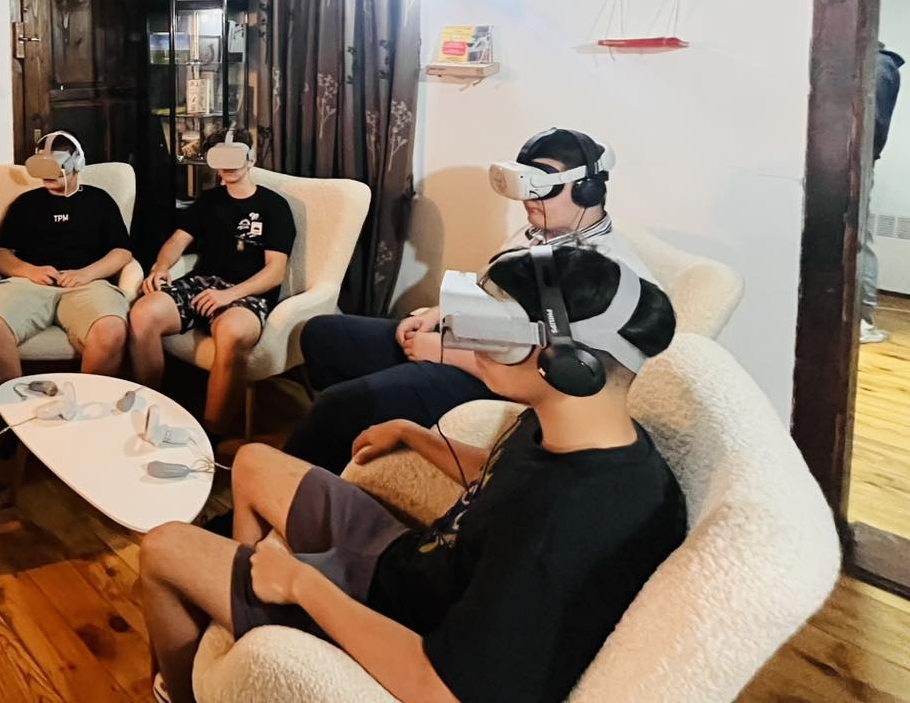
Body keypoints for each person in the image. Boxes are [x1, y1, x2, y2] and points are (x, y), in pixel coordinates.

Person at [141, 245, 683, 703]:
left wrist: (301, 585)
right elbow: (504, 478)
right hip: (405, 565)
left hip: (395, 632)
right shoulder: (577, 427)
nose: (471, 342)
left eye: (500, 333)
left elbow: (440, 689)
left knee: (163, 548)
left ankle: (193, 684)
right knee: (254, 462)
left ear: (565, 361)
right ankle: (239, 638)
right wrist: (415, 435)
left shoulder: (566, 529)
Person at [286, 127, 651, 474]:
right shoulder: (539, 233)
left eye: (543, 188)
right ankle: (344, 452)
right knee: (322, 334)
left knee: (342, 404)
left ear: (587, 189)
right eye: (525, 185)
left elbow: (561, 373)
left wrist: (444, 352)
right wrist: (436, 313)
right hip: (467, 340)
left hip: (501, 381)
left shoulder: (604, 275)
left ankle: (299, 483)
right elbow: (488, 286)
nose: (529, 200)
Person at [129, 129, 296, 435]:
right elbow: (177, 241)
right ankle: (152, 410)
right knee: (142, 313)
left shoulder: (275, 206)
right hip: (203, 282)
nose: (228, 165)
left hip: (248, 292)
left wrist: (228, 295)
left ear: (251, 159)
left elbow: (275, 272)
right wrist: (160, 267)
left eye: (236, 156)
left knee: (232, 331)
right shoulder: (209, 201)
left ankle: (212, 435)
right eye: (221, 157)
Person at [0, 131, 134, 391]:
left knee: (112, 330)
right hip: (29, 283)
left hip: (87, 284)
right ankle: (12, 410)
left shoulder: (99, 200)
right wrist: (28, 271)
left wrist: (86, 273)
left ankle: (86, 405)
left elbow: (122, 252)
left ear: (77, 164)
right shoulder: (26, 203)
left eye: (56, 168)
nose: (48, 176)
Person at [861, 44, 902, 344]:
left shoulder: (878, 66)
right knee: (857, 238)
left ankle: (862, 320)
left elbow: (870, 126)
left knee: (857, 239)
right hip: (853, 162)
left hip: (854, 163)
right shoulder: (877, 65)